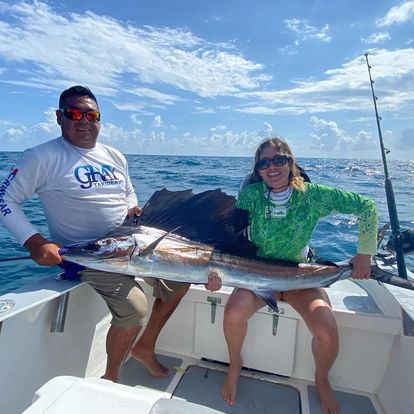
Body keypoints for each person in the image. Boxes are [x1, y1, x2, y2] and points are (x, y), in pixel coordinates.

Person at [0, 85, 220, 382]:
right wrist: (35, 241)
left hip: (133, 244)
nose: (84, 121)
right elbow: (5, 199)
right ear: (59, 117)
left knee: (181, 280)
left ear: (99, 119)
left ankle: (144, 346)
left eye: (91, 115)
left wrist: (133, 207)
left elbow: (127, 192)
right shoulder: (41, 157)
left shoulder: (114, 155)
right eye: (74, 113)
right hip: (92, 255)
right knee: (134, 309)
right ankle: (111, 377)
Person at [218, 137, 378, 414]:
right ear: (258, 171)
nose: (272, 167)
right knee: (232, 314)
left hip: (300, 276)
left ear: (291, 162)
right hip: (257, 275)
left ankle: (321, 378)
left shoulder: (312, 195)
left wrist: (364, 254)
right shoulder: (251, 196)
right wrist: (217, 271)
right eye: (264, 163)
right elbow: (233, 237)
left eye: (279, 159)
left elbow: (366, 206)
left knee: (326, 330)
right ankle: (235, 365)